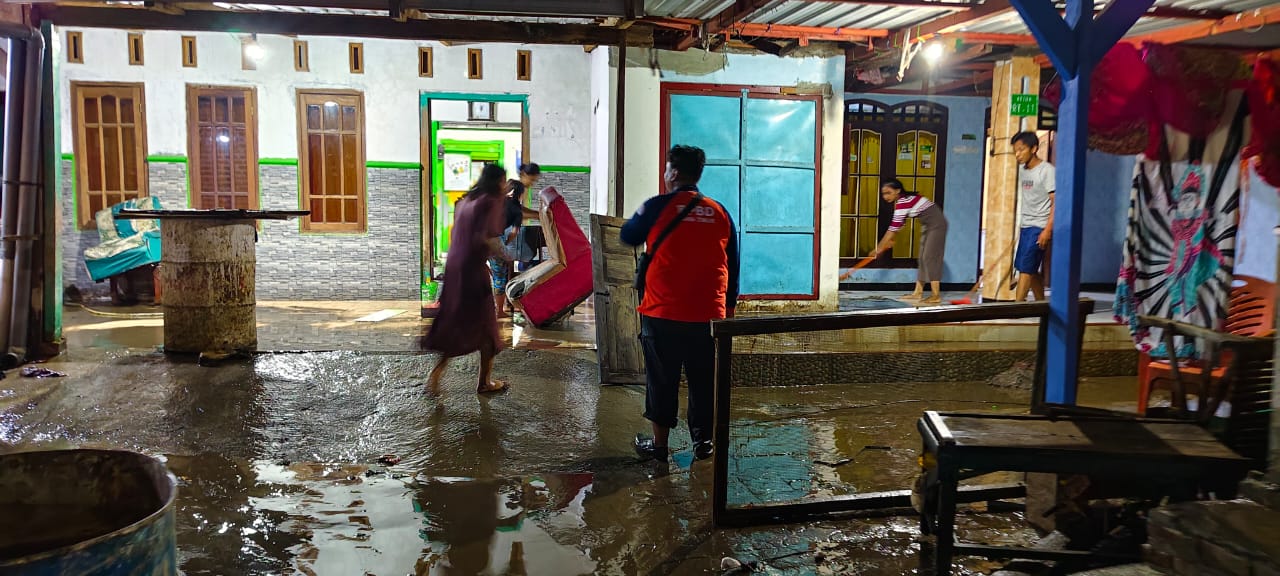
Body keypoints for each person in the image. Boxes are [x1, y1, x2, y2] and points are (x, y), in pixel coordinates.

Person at [620, 144, 740, 463]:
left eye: (665, 169)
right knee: (703, 381)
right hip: (708, 317)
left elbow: (629, 236)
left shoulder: (657, 206)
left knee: (662, 380)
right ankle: (704, 444)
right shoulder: (719, 211)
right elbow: (734, 265)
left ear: (673, 173)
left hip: (663, 313)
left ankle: (660, 447)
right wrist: (728, 313)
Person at [424, 163, 511, 395]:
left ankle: (436, 377)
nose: (505, 186)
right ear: (497, 182)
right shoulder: (490, 201)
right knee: (488, 328)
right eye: (503, 181)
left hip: (455, 269)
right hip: (472, 273)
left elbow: (460, 236)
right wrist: (507, 256)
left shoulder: (466, 201)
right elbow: (488, 238)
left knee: (454, 323)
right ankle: (484, 383)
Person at [869, 178, 948, 304]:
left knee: (929, 257)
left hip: (937, 225)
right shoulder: (903, 201)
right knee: (922, 258)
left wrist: (878, 248)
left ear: (897, 191)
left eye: (888, 193)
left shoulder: (903, 202)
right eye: (883, 193)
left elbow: (892, 229)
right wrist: (889, 241)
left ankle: (936, 295)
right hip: (928, 226)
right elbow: (899, 225)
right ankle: (918, 293)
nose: (885, 196)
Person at [491, 163, 542, 317]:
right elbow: (517, 213)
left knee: (502, 272)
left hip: (494, 239)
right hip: (495, 240)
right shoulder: (512, 188)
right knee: (501, 273)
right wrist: (539, 215)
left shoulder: (513, 190)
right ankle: (500, 309)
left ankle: (504, 304)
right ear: (524, 175)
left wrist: (537, 214)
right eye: (531, 180)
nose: (531, 184)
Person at [1011, 131, 1055, 301]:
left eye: (1021, 150)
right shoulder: (1023, 170)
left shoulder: (1047, 171)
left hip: (1039, 226)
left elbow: (1056, 203)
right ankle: (1041, 304)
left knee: (1026, 269)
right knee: (1029, 267)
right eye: (1015, 150)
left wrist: (1047, 230)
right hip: (1026, 226)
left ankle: (1016, 308)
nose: (1017, 154)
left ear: (1034, 148)